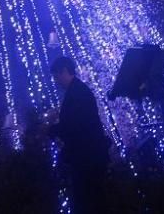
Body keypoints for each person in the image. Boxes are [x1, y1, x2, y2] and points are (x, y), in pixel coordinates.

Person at [49, 56, 110, 214]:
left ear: (64, 71)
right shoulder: (78, 90)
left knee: (89, 202)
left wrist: (50, 129)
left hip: (87, 158)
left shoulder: (77, 93)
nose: (55, 81)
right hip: (90, 156)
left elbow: (73, 126)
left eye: (56, 76)